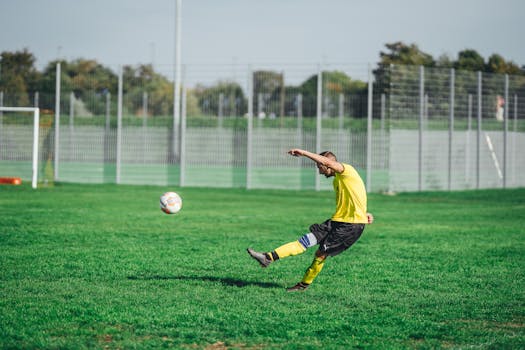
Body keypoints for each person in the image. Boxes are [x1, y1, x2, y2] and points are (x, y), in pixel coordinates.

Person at [247, 148, 373, 292]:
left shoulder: (347, 171)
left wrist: (304, 153)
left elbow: (327, 161)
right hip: (337, 221)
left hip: (350, 226)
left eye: (320, 166)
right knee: (305, 240)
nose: (319, 171)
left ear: (329, 164)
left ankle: (303, 285)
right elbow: (356, 197)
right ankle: (267, 258)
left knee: (320, 254)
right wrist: (364, 213)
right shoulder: (338, 180)